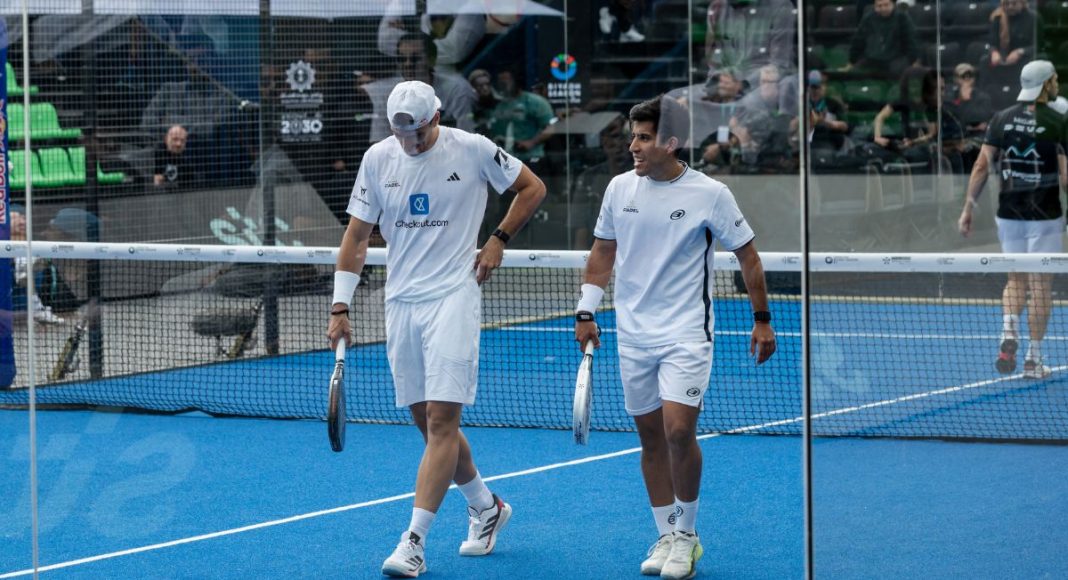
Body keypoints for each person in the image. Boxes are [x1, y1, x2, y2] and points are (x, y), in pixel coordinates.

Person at [326, 81, 546, 578]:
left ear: (437, 117)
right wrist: (340, 305)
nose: (410, 143)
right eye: (401, 134)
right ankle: (487, 507)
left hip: (454, 296)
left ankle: (414, 541)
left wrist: (498, 238)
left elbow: (532, 186)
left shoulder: (472, 149)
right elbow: (357, 236)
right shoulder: (378, 159)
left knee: (443, 423)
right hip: (401, 303)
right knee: (427, 425)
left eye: (419, 132)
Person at [574, 95, 776, 579]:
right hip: (632, 334)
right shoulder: (620, 188)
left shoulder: (711, 193)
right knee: (649, 438)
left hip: (687, 332)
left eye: (643, 138)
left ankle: (687, 536)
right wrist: (586, 309)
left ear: (671, 142)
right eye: (633, 137)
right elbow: (603, 252)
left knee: (679, 432)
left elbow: (748, 255)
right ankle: (666, 533)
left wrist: (762, 318)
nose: (633, 147)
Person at [957, 60, 1066, 379]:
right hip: (1044, 216)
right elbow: (1066, 177)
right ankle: (1033, 360)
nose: (1057, 82)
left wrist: (967, 208)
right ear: (1046, 85)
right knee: (1041, 286)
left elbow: (980, 167)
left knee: (1014, 279)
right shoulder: (1058, 121)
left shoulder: (1001, 119)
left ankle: (1008, 331)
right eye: (1055, 79)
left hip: (1009, 216)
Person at [362, 32, 476, 142]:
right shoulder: (388, 96)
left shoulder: (457, 90)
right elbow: (379, 146)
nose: (407, 64)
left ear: (431, 60)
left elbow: (466, 141)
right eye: (402, 59)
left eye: (415, 59)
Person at [487, 68, 556, 175]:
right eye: (500, 81)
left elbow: (550, 128)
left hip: (531, 159)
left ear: (516, 81)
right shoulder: (499, 105)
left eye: (506, 79)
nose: (503, 84)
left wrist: (531, 142)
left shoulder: (535, 102)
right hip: (505, 161)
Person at [9, 204, 64, 324]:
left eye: (24, 217)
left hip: (30, 318)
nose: (21, 221)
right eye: (14, 217)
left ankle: (37, 309)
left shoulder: (38, 252)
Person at [844, 0, 921, 79]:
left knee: (896, 72)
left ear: (893, 5)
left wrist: (914, 60)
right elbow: (858, 40)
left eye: (886, 5)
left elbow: (911, 41)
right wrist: (851, 62)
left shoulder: (902, 17)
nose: (883, 8)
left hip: (896, 58)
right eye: (879, 6)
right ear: (875, 6)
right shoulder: (868, 18)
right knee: (855, 74)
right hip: (872, 59)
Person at [153, 124, 201, 189]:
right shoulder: (154, 155)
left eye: (182, 140)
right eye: (175, 139)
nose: (179, 144)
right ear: (166, 139)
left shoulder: (187, 161)